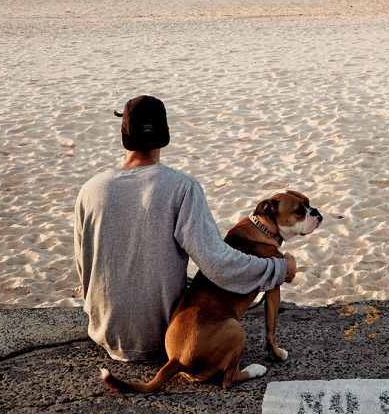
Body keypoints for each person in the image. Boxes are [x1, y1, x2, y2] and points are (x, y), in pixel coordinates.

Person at [74, 95, 296, 363]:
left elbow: (84, 268)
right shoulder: (181, 187)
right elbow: (218, 264)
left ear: (124, 134)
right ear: (165, 135)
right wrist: (279, 269)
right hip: (167, 340)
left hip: (106, 333)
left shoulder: (90, 190)